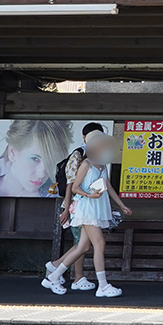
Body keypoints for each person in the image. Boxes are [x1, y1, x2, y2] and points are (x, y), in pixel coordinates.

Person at [42, 131, 131, 298]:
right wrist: (89, 195)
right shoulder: (87, 164)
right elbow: (75, 187)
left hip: (96, 207)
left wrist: (121, 205)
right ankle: (103, 286)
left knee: (84, 246)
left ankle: (53, 277)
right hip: (88, 208)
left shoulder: (102, 165)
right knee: (100, 243)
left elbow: (108, 186)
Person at [53, 123, 108, 291]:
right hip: (77, 205)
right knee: (82, 243)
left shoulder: (98, 157)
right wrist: (66, 206)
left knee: (82, 243)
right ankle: (74, 276)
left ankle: (56, 269)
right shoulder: (79, 155)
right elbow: (72, 183)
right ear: (86, 137)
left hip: (87, 204)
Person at [0, 120, 73, 197]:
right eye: (35, 159)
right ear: (12, 152)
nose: (42, 173)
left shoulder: (60, 197)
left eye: (51, 161)